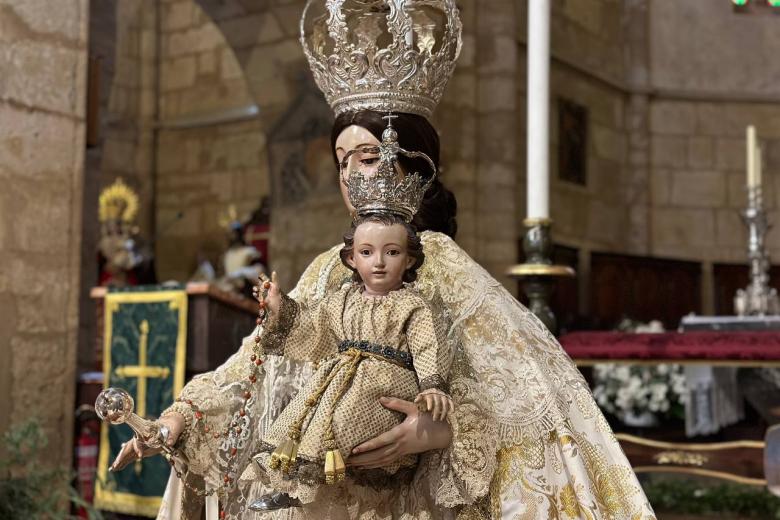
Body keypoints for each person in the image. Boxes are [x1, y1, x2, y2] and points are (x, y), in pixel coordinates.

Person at [112, 1, 656, 518]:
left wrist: (437, 430)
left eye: (368, 156)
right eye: (342, 160)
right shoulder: (331, 266)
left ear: (414, 163)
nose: (352, 174)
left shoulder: (445, 266)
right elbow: (257, 364)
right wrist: (180, 417)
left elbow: (509, 400)